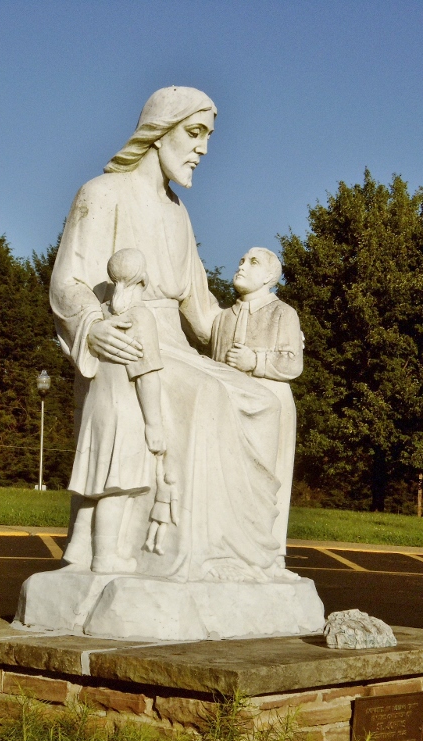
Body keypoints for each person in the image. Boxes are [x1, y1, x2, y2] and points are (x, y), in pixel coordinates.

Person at [51, 86, 283, 583]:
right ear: (159, 133)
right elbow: (68, 282)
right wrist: (94, 328)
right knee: (208, 396)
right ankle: (187, 556)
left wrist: (260, 316)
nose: (202, 149)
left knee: (263, 399)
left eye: (208, 137)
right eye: (194, 133)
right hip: (132, 347)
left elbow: (202, 313)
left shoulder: (178, 213)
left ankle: (249, 555)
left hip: (174, 346)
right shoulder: (102, 194)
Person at [69, 247, 166, 573]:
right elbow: (147, 375)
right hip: (124, 412)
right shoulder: (140, 317)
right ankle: (105, 556)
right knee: (117, 487)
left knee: (94, 487)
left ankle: (77, 550)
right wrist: (154, 425)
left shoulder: (101, 315)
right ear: (143, 278)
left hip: (96, 410)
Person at [211, 247, 303, 568]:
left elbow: (293, 364)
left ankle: (270, 553)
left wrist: (255, 361)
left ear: (269, 277)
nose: (242, 266)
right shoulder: (223, 318)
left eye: (253, 262)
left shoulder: (283, 313)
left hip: (271, 405)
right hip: (229, 407)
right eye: (241, 260)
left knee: (268, 479)